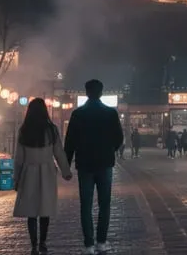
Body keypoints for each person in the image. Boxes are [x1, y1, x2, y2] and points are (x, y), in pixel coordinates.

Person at [64, 79, 124, 254]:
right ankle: (102, 242)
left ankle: (89, 244)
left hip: (84, 164)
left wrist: (66, 166)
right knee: (105, 204)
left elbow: (70, 143)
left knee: (86, 205)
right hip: (105, 163)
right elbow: (119, 138)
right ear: (101, 92)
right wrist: (109, 149)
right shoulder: (110, 113)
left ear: (86, 92)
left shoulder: (78, 114)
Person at [12, 98, 73, 254]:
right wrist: (66, 171)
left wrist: (16, 178)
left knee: (31, 212)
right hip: (47, 172)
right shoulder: (51, 130)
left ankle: (33, 245)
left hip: (28, 172)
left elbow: (19, 158)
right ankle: (43, 242)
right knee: (45, 208)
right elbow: (58, 152)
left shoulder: (24, 130)